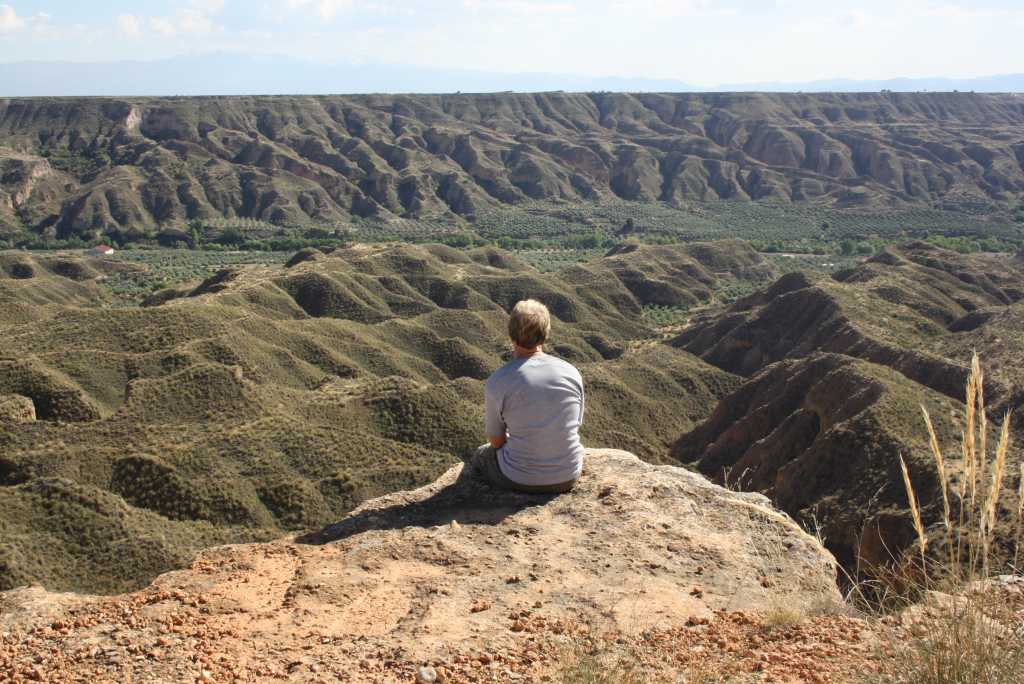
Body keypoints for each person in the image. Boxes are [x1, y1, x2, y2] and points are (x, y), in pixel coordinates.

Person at [467, 299, 585, 494]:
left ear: (511, 334)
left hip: (518, 478)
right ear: (546, 333)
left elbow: (496, 442)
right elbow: (574, 424)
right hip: (569, 474)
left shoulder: (499, 381)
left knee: (481, 454)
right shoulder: (571, 372)